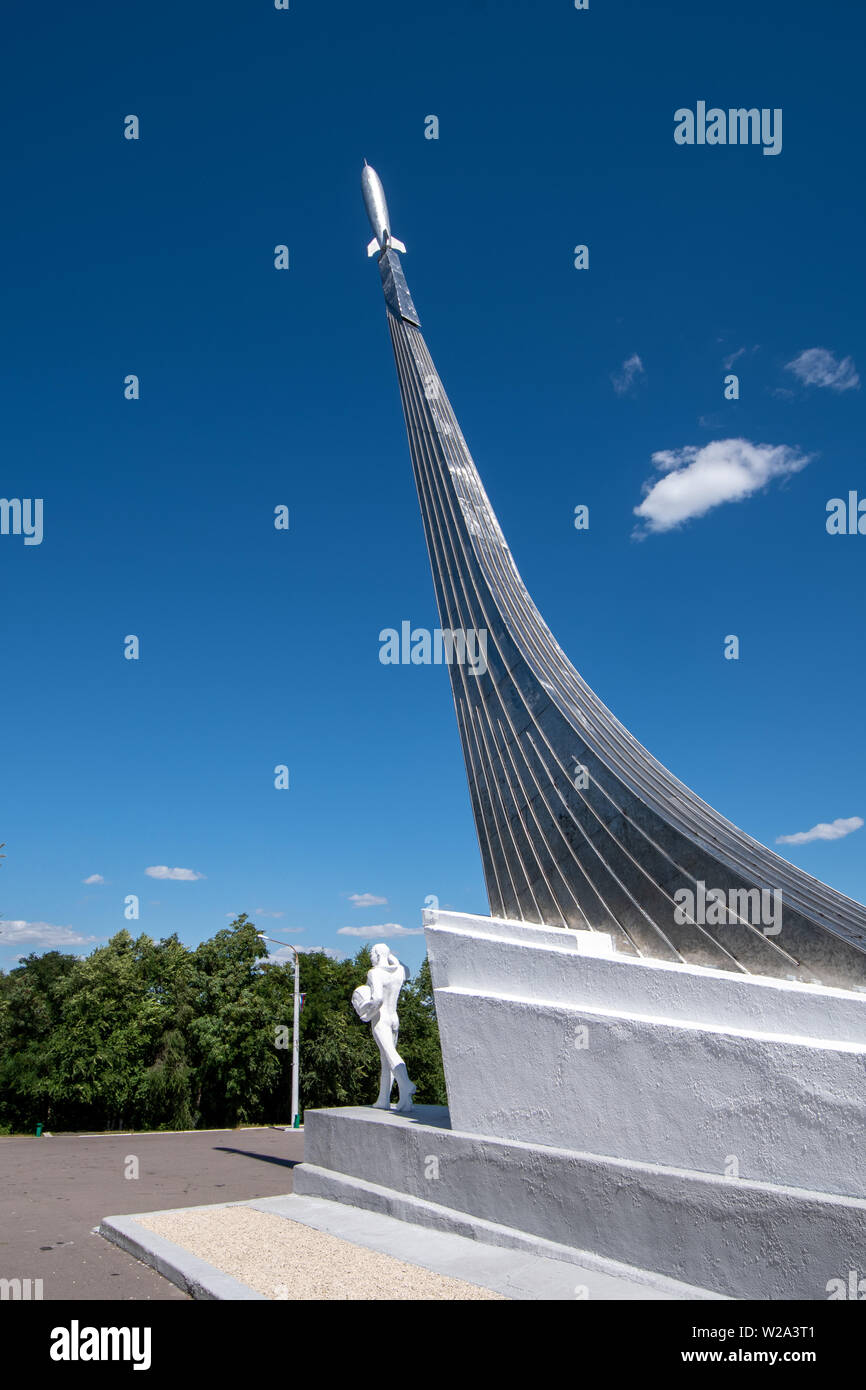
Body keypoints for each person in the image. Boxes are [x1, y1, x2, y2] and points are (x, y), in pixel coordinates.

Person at [351, 943, 416, 1112]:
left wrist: (366, 1012)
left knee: (390, 1055)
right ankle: (388, 1100)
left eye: (372, 954)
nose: (370, 957)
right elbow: (403, 968)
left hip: (381, 1019)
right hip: (394, 1017)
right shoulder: (399, 971)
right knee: (385, 1060)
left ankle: (406, 1084)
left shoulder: (374, 973)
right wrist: (390, 958)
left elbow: (378, 998)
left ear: (377, 954)